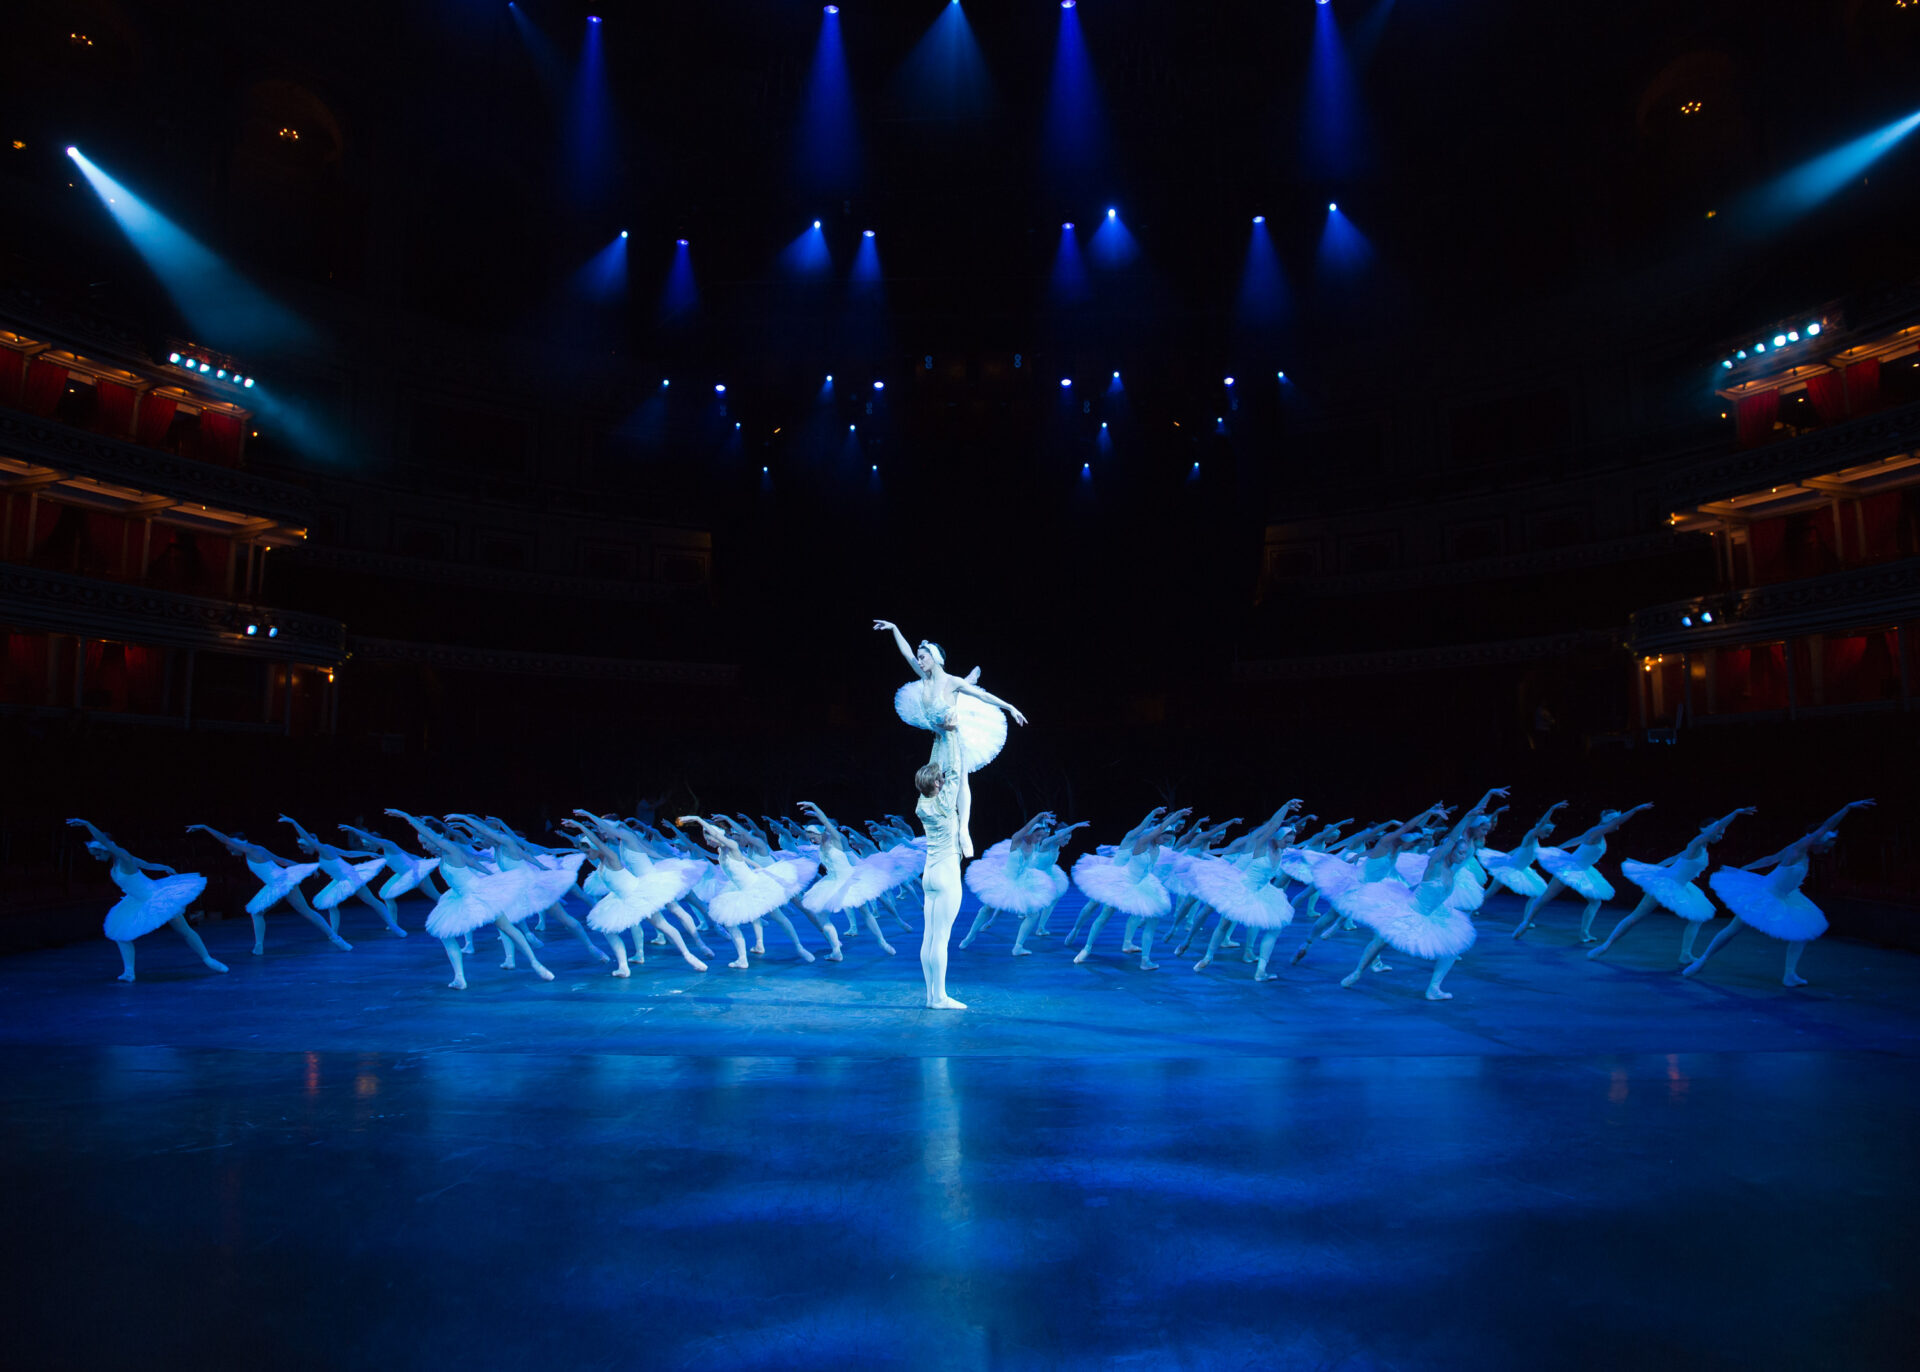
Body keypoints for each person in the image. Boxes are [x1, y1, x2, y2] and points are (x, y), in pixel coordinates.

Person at [875, 619, 1028, 859]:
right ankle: (939, 827)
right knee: (931, 779)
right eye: (919, 657)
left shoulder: (950, 682)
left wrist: (1010, 707)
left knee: (960, 779)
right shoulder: (925, 679)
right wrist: (894, 628)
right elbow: (906, 653)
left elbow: (983, 698)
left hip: (953, 737)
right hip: (938, 736)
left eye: (923, 656)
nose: (919, 660)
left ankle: (964, 831)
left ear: (934, 658)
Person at [1687, 800, 1874, 987]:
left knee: (1802, 932)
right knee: (1734, 929)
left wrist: (1746, 868)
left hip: (1788, 896)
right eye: (1825, 845)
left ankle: (1790, 974)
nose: (1826, 850)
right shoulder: (1799, 848)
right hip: (1767, 893)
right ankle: (1701, 960)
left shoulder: (1799, 850)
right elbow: (1826, 827)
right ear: (1817, 839)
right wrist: (1847, 808)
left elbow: (1771, 858)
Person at [1587, 807, 1753, 964]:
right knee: (1637, 916)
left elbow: (1675, 859)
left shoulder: (1702, 849)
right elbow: (1716, 828)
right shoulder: (1696, 844)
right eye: (1719, 831)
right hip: (1667, 884)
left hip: (1681, 885)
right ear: (1707, 830)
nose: (1721, 835)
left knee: (1697, 918)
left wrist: (1656, 867)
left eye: (1722, 833)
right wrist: (1735, 813)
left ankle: (1685, 954)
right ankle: (1606, 945)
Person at [70, 818, 226, 982]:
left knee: (184, 931)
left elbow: (106, 842)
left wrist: (87, 824)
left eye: (98, 854)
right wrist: (164, 867)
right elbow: (145, 864)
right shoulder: (118, 863)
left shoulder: (123, 858)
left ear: (106, 849)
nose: (96, 858)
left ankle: (208, 959)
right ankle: (129, 972)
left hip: (155, 898)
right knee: (121, 934)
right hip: (136, 900)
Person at [186, 824, 348, 956]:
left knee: (263, 912)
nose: (230, 848)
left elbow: (225, 839)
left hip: (279, 883)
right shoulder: (258, 849)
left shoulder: (251, 849)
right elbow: (282, 861)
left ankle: (259, 946)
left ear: (242, 842)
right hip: (282, 881)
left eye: (233, 845)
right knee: (296, 911)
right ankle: (335, 938)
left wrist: (205, 828)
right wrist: (309, 868)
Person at [1513, 803, 1654, 942]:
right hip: (1571, 869)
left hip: (1583, 870)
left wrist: (1559, 848)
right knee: (1546, 897)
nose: (1618, 825)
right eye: (1614, 821)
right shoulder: (1597, 832)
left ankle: (1584, 933)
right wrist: (1636, 809)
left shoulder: (1597, 833)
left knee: (1595, 902)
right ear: (1608, 821)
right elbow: (1615, 822)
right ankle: (1525, 923)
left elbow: (1577, 840)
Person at [915, 751, 968, 1010]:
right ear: (937, 784)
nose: (945, 781)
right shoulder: (944, 803)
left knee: (929, 937)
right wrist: (952, 737)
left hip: (929, 874)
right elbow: (956, 769)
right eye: (941, 779)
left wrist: (937, 738)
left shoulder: (921, 805)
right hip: (946, 874)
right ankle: (940, 998)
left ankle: (930, 996)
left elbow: (933, 767)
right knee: (941, 939)